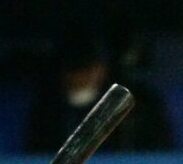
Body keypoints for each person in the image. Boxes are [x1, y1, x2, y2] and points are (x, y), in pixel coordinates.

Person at [24, 29, 174, 153]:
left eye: (86, 69)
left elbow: (159, 153)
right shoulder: (48, 109)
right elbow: (36, 155)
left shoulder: (137, 103)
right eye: (73, 71)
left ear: (101, 68)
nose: (80, 78)